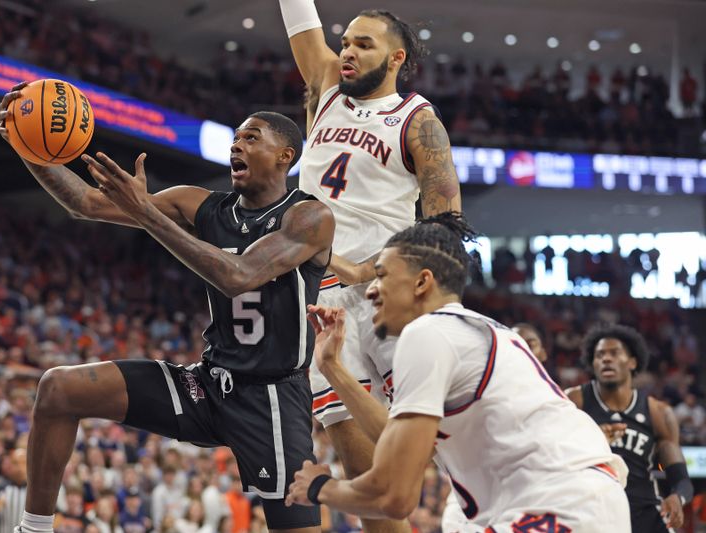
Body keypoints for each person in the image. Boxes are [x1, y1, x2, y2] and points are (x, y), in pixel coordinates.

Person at [0, 83, 334, 533]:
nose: (237, 144)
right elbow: (84, 203)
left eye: (251, 138)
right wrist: (28, 144)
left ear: (285, 156)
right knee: (58, 389)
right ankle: (33, 528)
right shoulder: (202, 204)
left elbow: (238, 277)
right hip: (209, 383)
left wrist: (147, 214)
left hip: (273, 397)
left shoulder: (310, 217)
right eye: (235, 137)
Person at [285, 213, 630, 532]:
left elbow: (395, 496)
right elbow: (399, 439)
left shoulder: (429, 334)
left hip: (558, 503)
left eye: (382, 276)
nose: (371, 290)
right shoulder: (470, 330)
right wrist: (333, 367)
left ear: (422, 282)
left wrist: (319, 488)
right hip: (578, 498)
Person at [277, 5, 461, 532]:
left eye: (364, 45)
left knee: (419, 454)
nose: (349, 53)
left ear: (396, 58)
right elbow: (299, 19)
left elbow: (447, 224)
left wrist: (369, 269)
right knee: (361, 472)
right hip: (321, 298)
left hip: (388, 295)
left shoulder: (418, 121)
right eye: (346, 42)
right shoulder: (326, 87)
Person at [566, 324, 693, 532]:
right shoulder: (573, 401)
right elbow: (552, 456)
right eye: (599, 355)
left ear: (632, 362)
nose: (606, 359)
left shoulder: (658, 412)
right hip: (590, 510)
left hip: (644, 513)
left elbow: (680, 477)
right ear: (592, 363)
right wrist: (594, 441)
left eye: (614, 353)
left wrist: (677, 497)